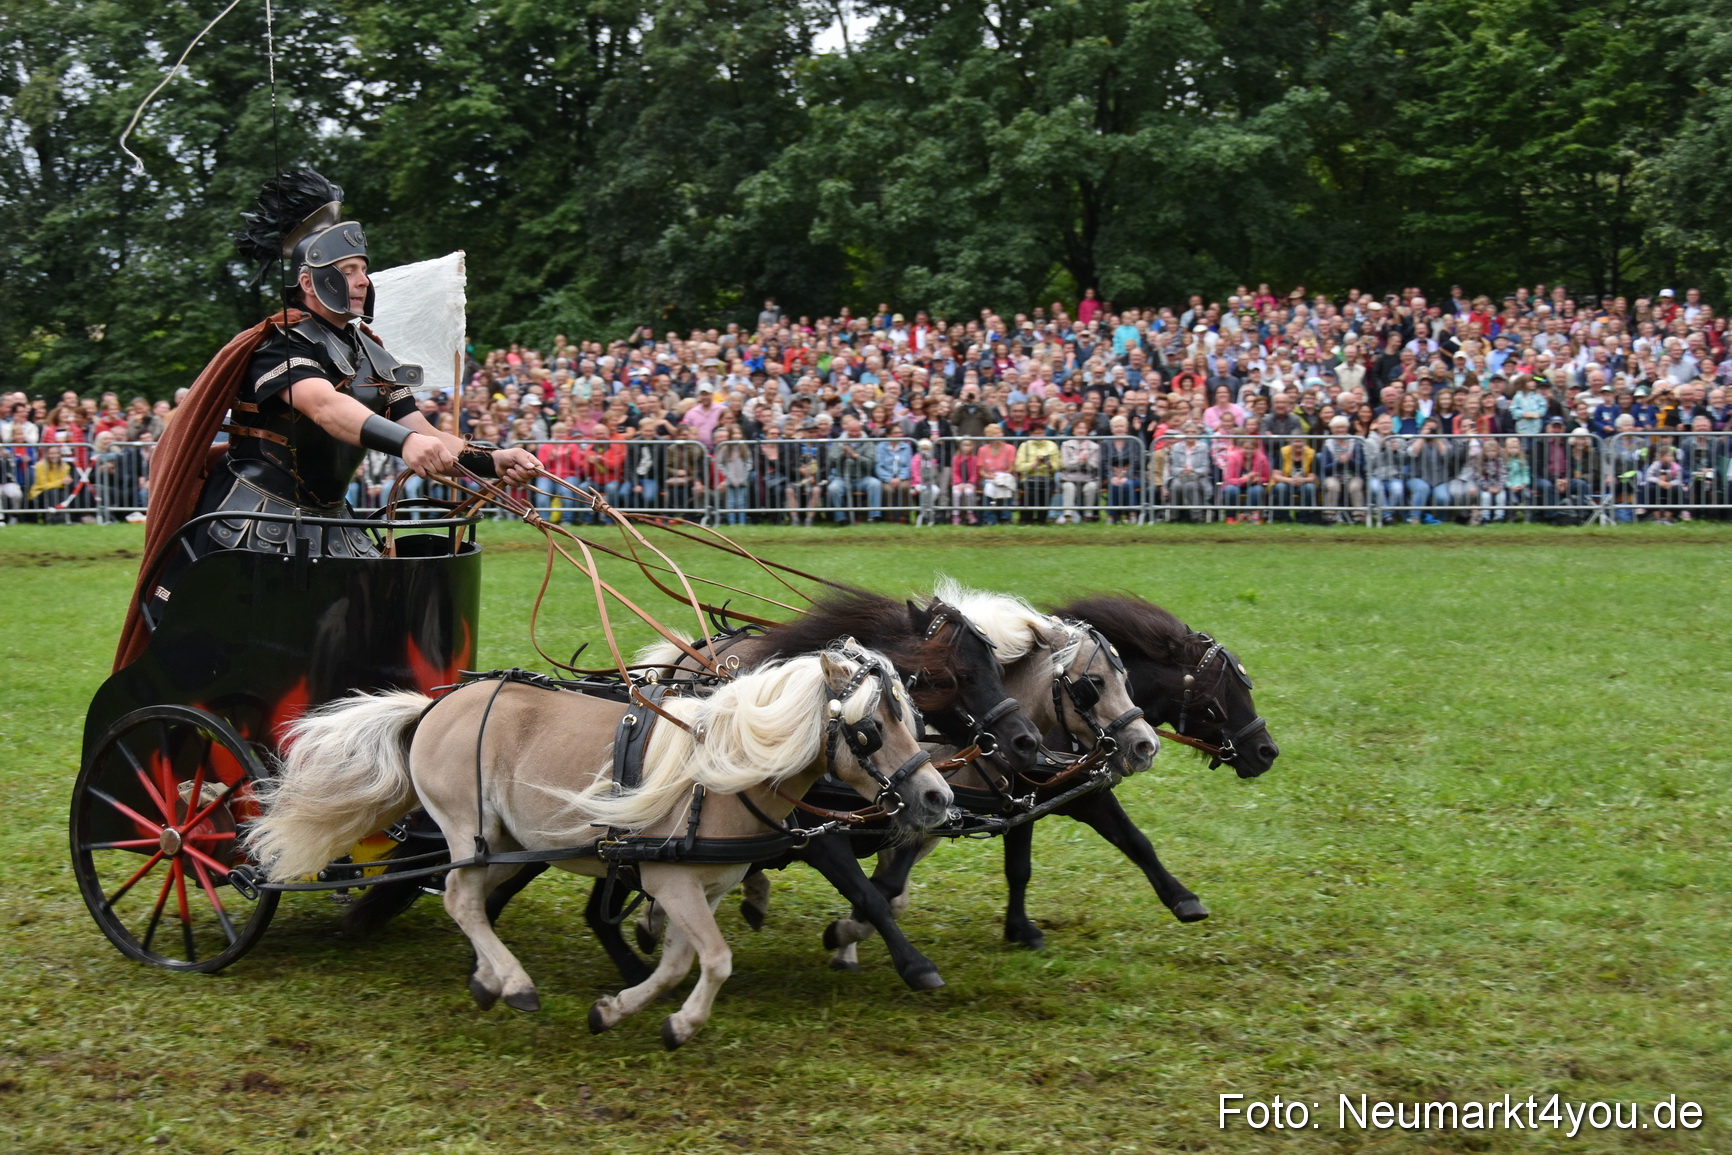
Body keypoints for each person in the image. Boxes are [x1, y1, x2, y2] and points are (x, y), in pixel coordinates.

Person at [127, 170, 538, 636]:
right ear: (310, 280)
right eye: (348, 271)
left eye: (362, 268)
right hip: (255, 518)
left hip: (330, 519)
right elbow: (325, 406)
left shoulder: (373, 352)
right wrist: (402, 444)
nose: (362, 280)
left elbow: (424, 430)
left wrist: (493, 460)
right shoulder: (281, 344)